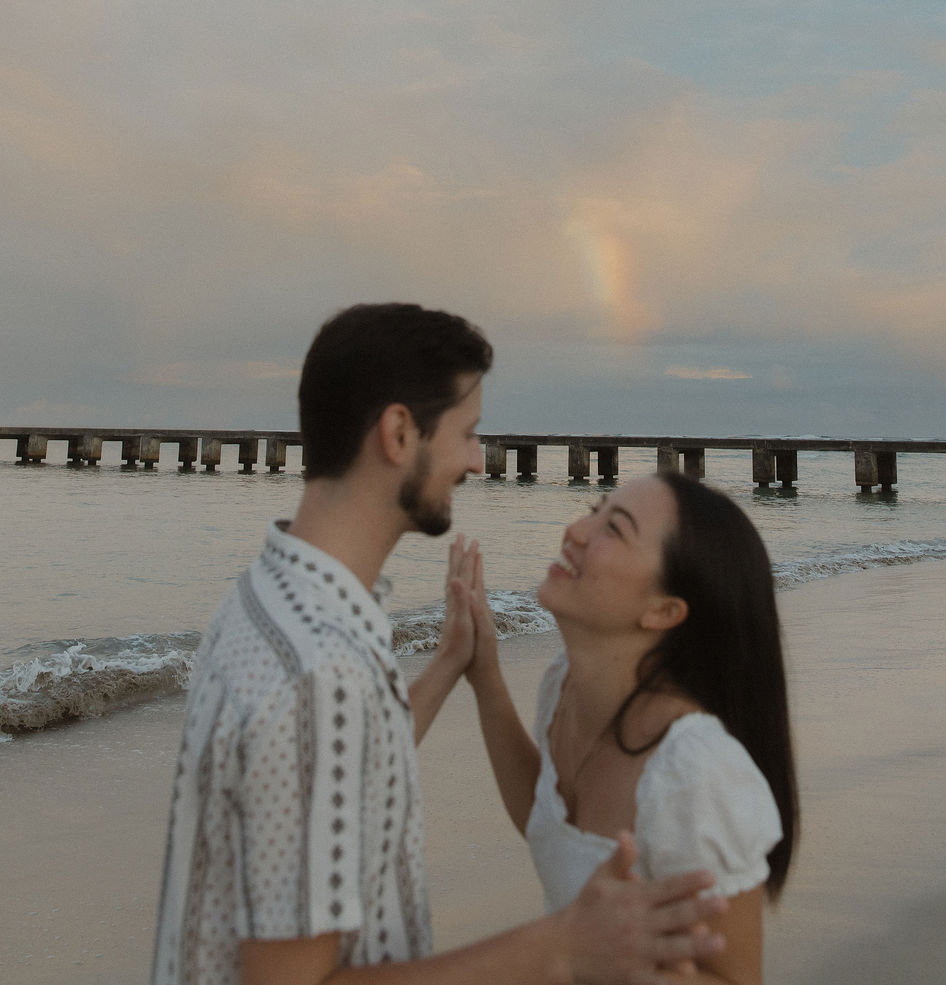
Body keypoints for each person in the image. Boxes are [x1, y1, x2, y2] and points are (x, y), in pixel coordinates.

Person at [152, 303, 727, 985]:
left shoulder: (263, 599)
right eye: (468, 432)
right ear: (399, 432)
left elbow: (343, 755)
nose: (477, 462)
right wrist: (560, 947)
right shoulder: (321, 675)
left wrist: (456, 663)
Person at [458, 471, 799, 985]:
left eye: (613, 529)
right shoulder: (565, 687)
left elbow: (736, 978)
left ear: (663, 611)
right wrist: (485, 677)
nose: (575, 529)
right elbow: (548, 822)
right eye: (594, 510)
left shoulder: (694, 774)